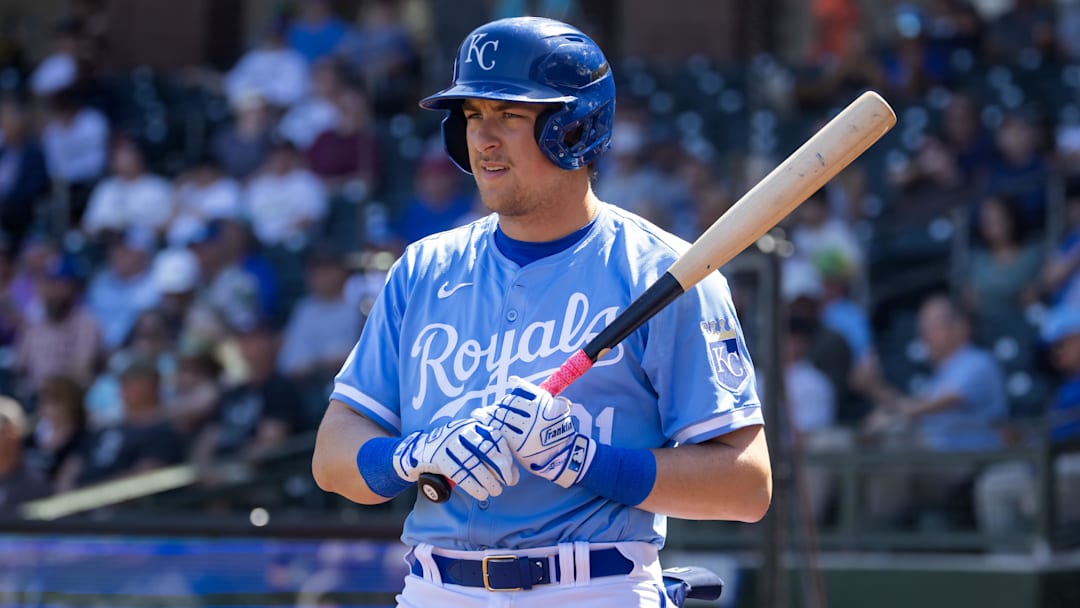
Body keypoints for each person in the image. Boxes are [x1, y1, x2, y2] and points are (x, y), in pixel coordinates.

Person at [311, 17, 771, 607]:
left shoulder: (663, 273)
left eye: (508, 114)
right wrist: (408, 455)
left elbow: (746, 486)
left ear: (573, 128)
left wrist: (586, 461)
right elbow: (332, 457)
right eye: (473, 116)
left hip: (592, 585)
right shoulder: (423, 269)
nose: (483, 139)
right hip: (436, 588)